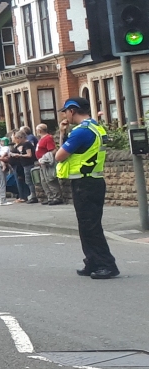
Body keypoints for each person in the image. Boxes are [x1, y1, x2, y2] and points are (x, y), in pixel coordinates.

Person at [55, 98, 120, 279]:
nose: (65, 115)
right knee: (87, 226)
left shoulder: (81, 132)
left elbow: (59, 156)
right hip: (93, 180)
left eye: (65, 111)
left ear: (72, 111)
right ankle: (92, 261)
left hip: (85, 184)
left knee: (90, 227)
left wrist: (63, 135)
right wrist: (63, 132)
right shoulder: (96, 127)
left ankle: (106, 265)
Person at [8, 128, 36, 202]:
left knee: (29, 181)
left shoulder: (26, 144)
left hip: (28, 164)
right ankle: (31, 195)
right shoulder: (24, 144)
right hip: (25, 165)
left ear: (21, 137)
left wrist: (19, 155)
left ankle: (33, 196)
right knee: (27, 180)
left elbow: (29, 155)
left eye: (17, 138)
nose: (17, 140)